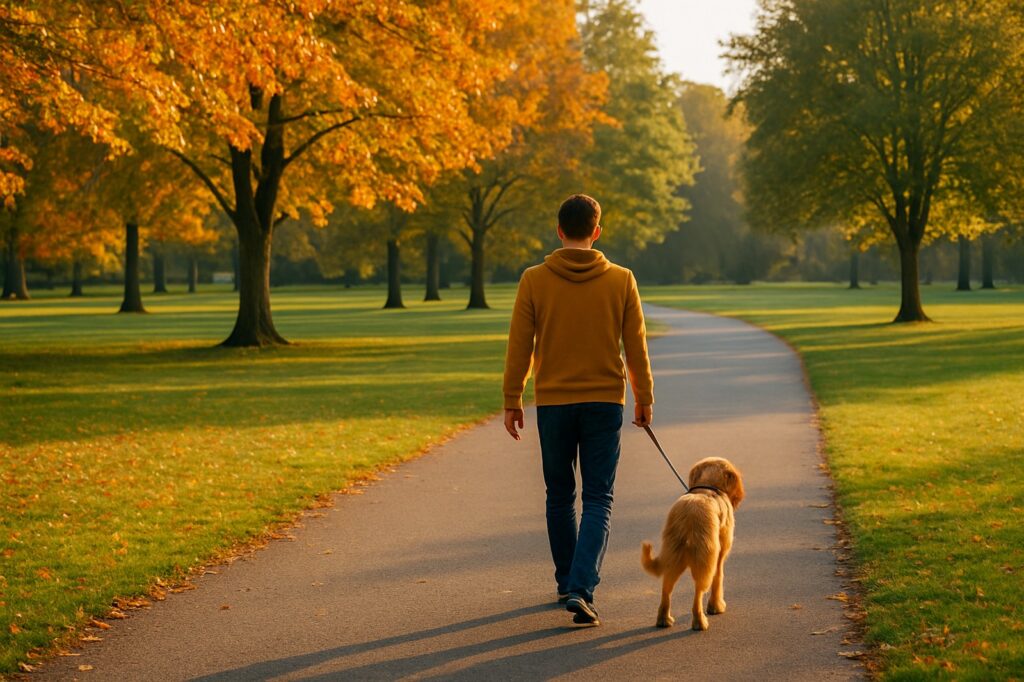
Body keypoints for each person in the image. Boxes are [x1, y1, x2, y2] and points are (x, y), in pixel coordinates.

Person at [502, 193, 654, 626]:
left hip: (554, 402)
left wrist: (513, 398)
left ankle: (568, 582)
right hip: (604, 400)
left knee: (559, 495)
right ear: (597, 232)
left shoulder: (534, 279)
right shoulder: (621, 279)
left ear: (559, 231)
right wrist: (644, 396)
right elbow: (636, 346)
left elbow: (520, 345)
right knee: (598, 497)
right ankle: (581, 588)